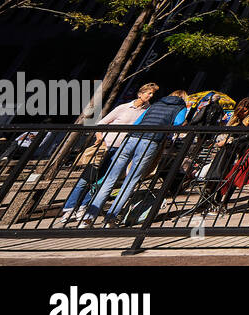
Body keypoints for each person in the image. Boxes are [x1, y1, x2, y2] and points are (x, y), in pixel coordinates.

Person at [80, 89, 188, 227]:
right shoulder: (180, 107)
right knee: (131, 181)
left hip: (131, 138)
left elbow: (138, 121)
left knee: (110, 178)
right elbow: (177, 123)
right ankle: (110, 218)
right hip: (150, 141)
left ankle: (87, 218)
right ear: (183, 98)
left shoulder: (155, 104)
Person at [59, 84, 158, 224]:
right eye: (148, 93)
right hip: (107, 146)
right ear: (140, 94)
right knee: (86, 179)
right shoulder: (123, 108)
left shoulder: (148, 111)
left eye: (153, 94)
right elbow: (101, 123)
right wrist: (100, 138)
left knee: (101, 181)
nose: (150, 96)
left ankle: (83, 207)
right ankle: (68, 209)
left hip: (123, 149)